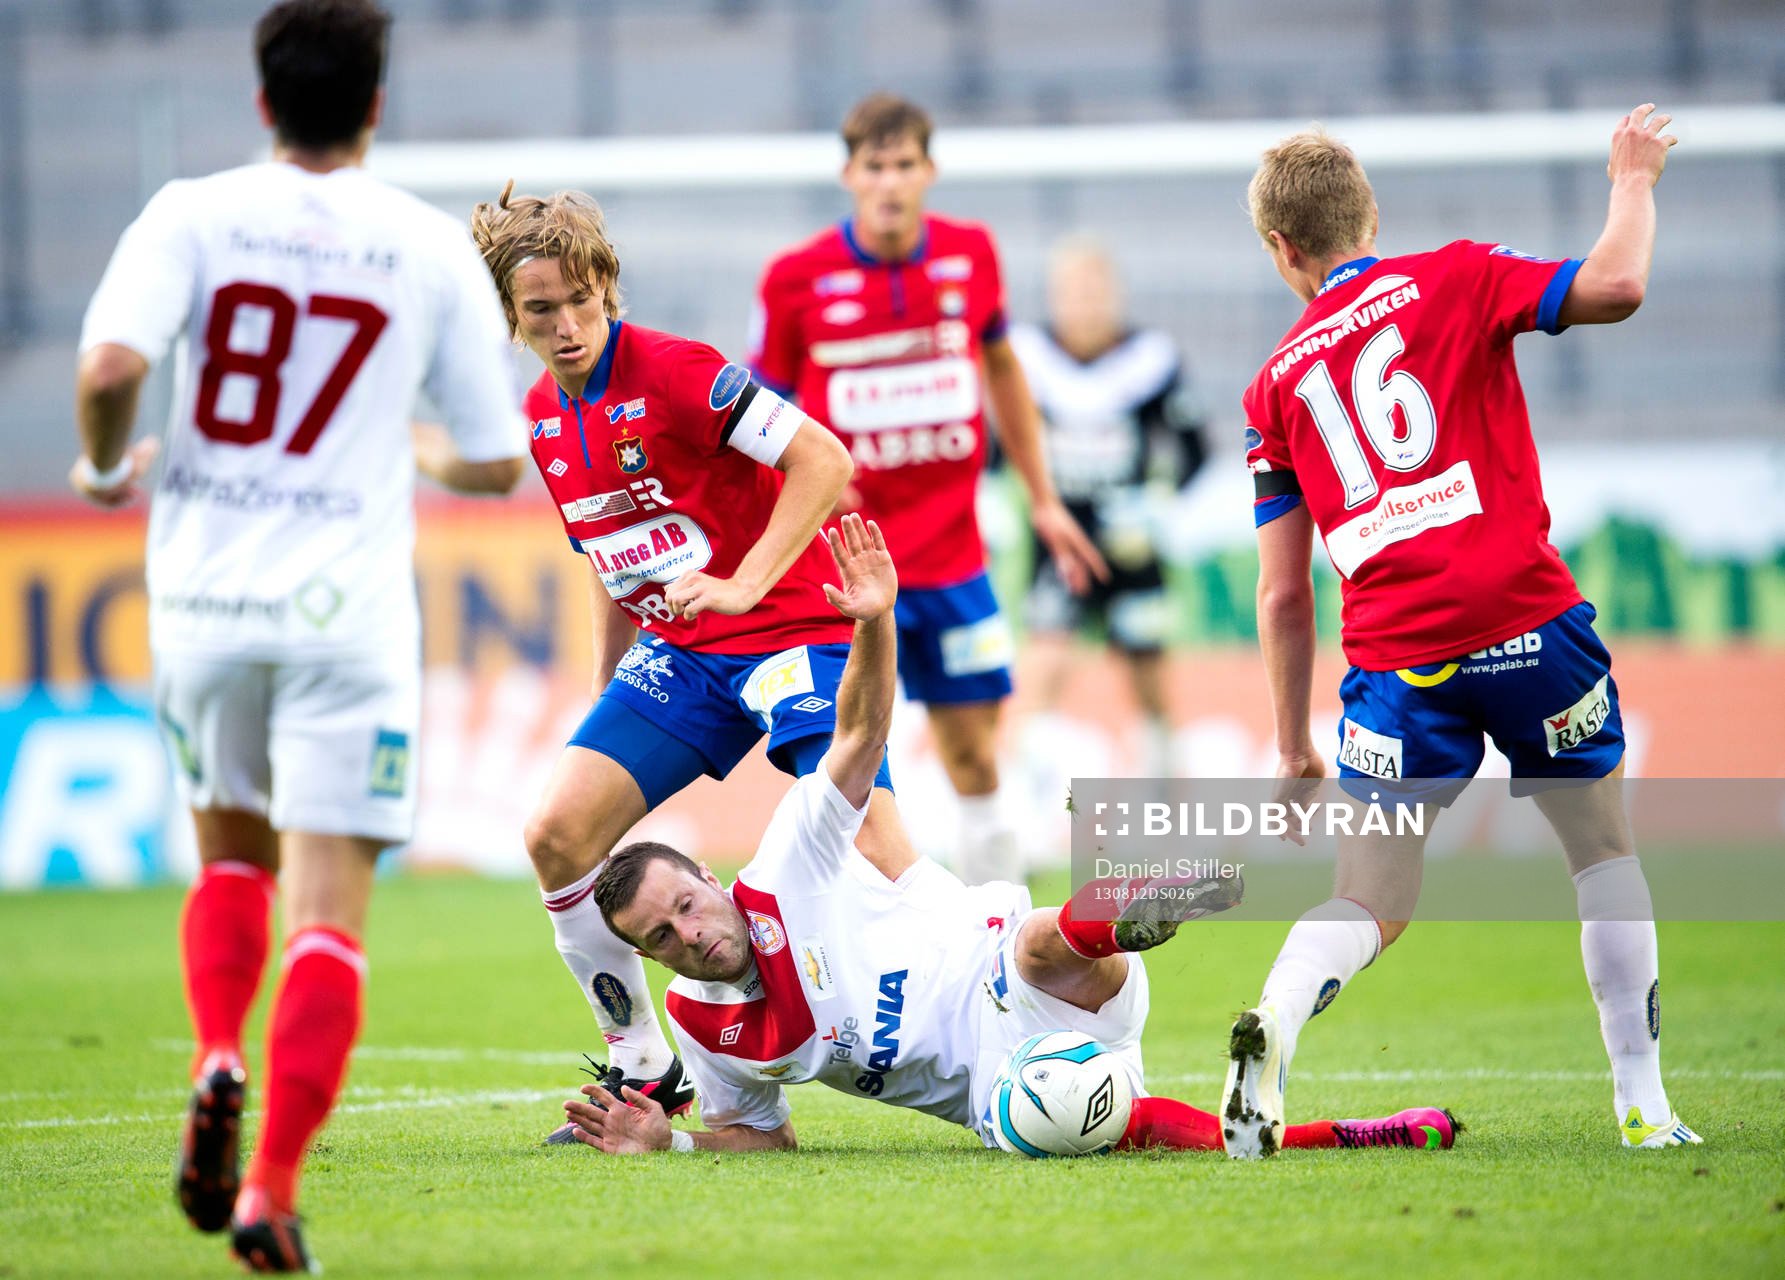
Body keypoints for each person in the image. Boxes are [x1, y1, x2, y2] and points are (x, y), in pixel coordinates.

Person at [554, 515, 1457, 1158]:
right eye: (661, 938)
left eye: (685, 904)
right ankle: (1337, 1136)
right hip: (1003, 1083)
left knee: (1034, 942)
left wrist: (874, 620)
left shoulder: (786, 867)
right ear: (649, 960)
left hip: (1011, 971)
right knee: (1055, 1120)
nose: (689, 933)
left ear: (709, 877)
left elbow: (858, 738)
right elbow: (761, 1136)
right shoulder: (702, 1023)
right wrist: (672, 1143)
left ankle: (1147, 898)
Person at [72, 1, 529, 1270]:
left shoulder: (189, 213)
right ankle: (269, 1190)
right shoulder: (425, 245)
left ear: (263, 99)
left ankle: (218, 1049)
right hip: (349, 619)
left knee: (231, 857)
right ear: (376, 104)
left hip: (204, 605)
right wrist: (406, 444)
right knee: (329, 915)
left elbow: (109, 372)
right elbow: (499, 458)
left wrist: (103, 469)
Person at [1224, 105, 1695, 1158]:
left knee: (1369, 899)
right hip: (1525, 623)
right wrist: (1632, 179)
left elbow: (1283, 593)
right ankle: (1645, 1107)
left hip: (1398, 663)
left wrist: (1293, 745)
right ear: (1371, 215)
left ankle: (1278, 1016)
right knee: (1600, 852)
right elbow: (1616, 285)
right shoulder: (1458, 275)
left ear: (1281, 250)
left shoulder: (1273, 387)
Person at [468, 183, 919, 1139]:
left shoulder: (679, 372)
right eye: (541, 310)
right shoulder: (544, 420)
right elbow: (611, 558)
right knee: (556, 835)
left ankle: (973, 990)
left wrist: (746, 584)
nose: (565, 327)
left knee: (873, 848)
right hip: (682, 652)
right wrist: (607, 687)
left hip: (790, 625)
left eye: (579, 302)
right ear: (512, 315)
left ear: (606, 290)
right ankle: (646, 1070)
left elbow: (824, 460)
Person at [749, 93, 1108, 886]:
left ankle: (1000, 923)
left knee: (973, 752)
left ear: (928, 170)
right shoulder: (794, 279)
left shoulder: (970, 253)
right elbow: (757, 418)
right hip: (842, 568)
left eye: (903, 164)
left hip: (951, 560)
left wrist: (1043, 498)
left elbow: (1002, 369)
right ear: (848, 174)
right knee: (847, 763)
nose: (889, 182)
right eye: (873, 166)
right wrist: (805, 482)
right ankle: (867, 922)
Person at [1008, 235, 1209, 778]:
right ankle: (1024, 791)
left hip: (1130, 541)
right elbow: (999, 443)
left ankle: (1165, 783)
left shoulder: (1150, 359)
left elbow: (1194, 447)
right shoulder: (1027, 356)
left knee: (1148, 668)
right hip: (1060, 538)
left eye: (1095, 291)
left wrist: (1156, 502)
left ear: (1115, 294)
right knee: (1045, 657)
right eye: (1074, 291)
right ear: (1055, 295)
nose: (1085, 303)